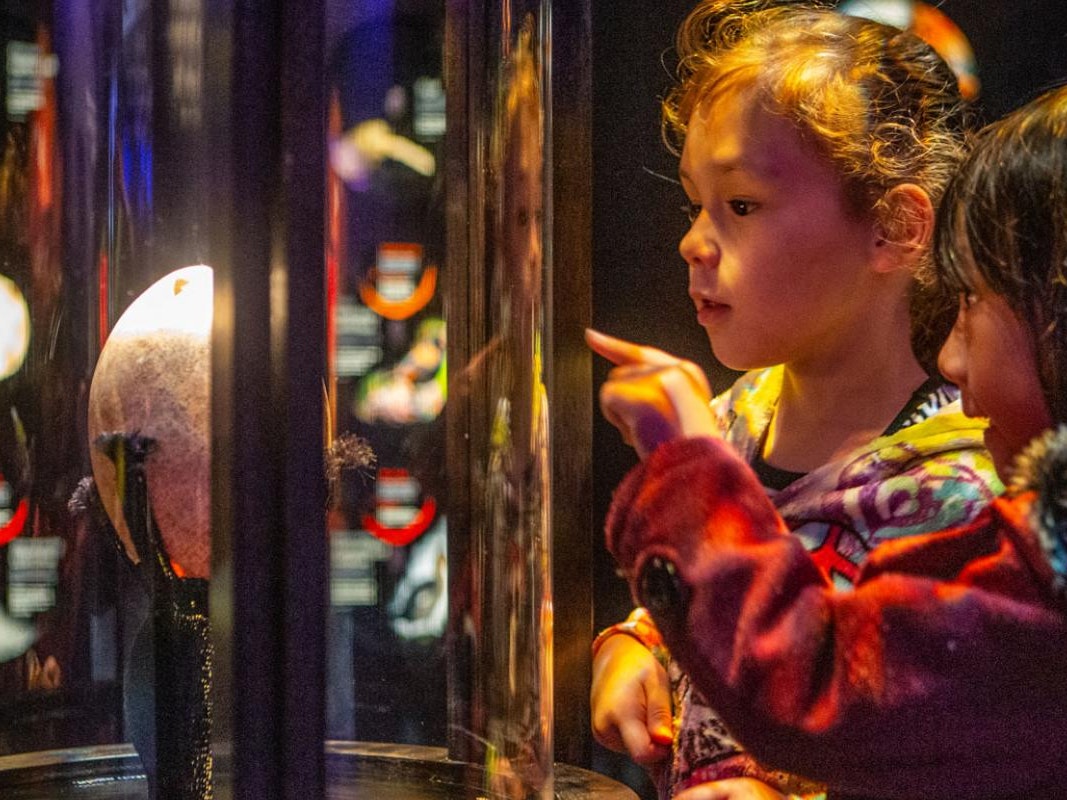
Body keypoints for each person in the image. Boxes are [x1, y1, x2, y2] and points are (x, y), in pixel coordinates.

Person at [597, 84, 1067, 798]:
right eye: (695, 202)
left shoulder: (970, 487)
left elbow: (838, 689)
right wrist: (640, 642)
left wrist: (688, 472)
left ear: (892, 228)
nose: (691, 242)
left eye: (742, 205)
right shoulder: (738, 414)